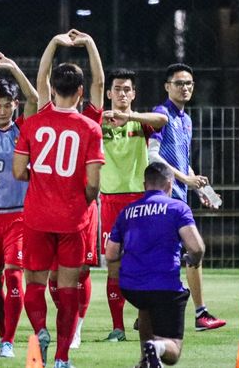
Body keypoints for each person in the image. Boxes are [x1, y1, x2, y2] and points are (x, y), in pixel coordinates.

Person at [13, 47, 104, 368]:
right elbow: (93, 182)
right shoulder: (90, 128)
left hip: (37, 216)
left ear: (51, 89)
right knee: (68, 287)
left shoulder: (32, 124)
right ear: (80, 91)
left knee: (34, 283)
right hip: (73, 218)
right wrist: (82, 201)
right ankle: (63, 358)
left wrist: (52, 43)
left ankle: (40, 330)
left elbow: (18, 171)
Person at [35, 29, 104, 350]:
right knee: (66, 275)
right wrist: (90, 43)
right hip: (78, 211)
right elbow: (99, 84)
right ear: (79, 91)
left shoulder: (47, 115)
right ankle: (68, 326)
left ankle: (73, 326)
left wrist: (53, 42)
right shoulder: (88, 118)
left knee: (75, 273)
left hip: (51, 210)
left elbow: (40, 78)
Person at [105, 162, 205, 368]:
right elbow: (196, 247)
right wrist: (192, 259)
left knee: (146, 305)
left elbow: (111, 253)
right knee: (173, 353)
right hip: (165, 287)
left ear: (144, 184)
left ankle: (145, 360)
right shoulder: (177, 208)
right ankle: (157, 349)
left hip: (131, 287)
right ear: (169, 184)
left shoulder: (127, 211)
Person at [149, 63, 225, 331]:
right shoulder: (162, 114)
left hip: (179, 197)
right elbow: (153, 156)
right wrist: (184, 180)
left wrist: (200, 188)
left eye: (189, 84)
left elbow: (182, 162)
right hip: (164, 198)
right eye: (179, 83)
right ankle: (199, 313)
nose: (185, 88)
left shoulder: (186, 119)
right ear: (167, 86)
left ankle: (150, 311)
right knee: (194, 250)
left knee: (172, 256)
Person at [96, 68, 168, 343]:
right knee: (113, 263)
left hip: (139, 201)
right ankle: (118, 328)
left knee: (140, 264)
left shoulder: (140, 123)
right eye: (118, 89)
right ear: (109, 93)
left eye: (127, 89)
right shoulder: (98, 123)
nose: (122, 93)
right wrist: (100, 117)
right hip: (110, 201)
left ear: (133, 94)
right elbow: (77, 122)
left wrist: (131, 115)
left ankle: (145, 320)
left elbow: (162, 119)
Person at [0, 54, 38, 359]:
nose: (4, 110)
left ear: (15, 106)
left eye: (9, 105)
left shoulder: (23, 130)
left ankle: (8, 340)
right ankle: (1, 332)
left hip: (18, 216)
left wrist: (13, 67)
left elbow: (34, 96)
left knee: (14, 275)